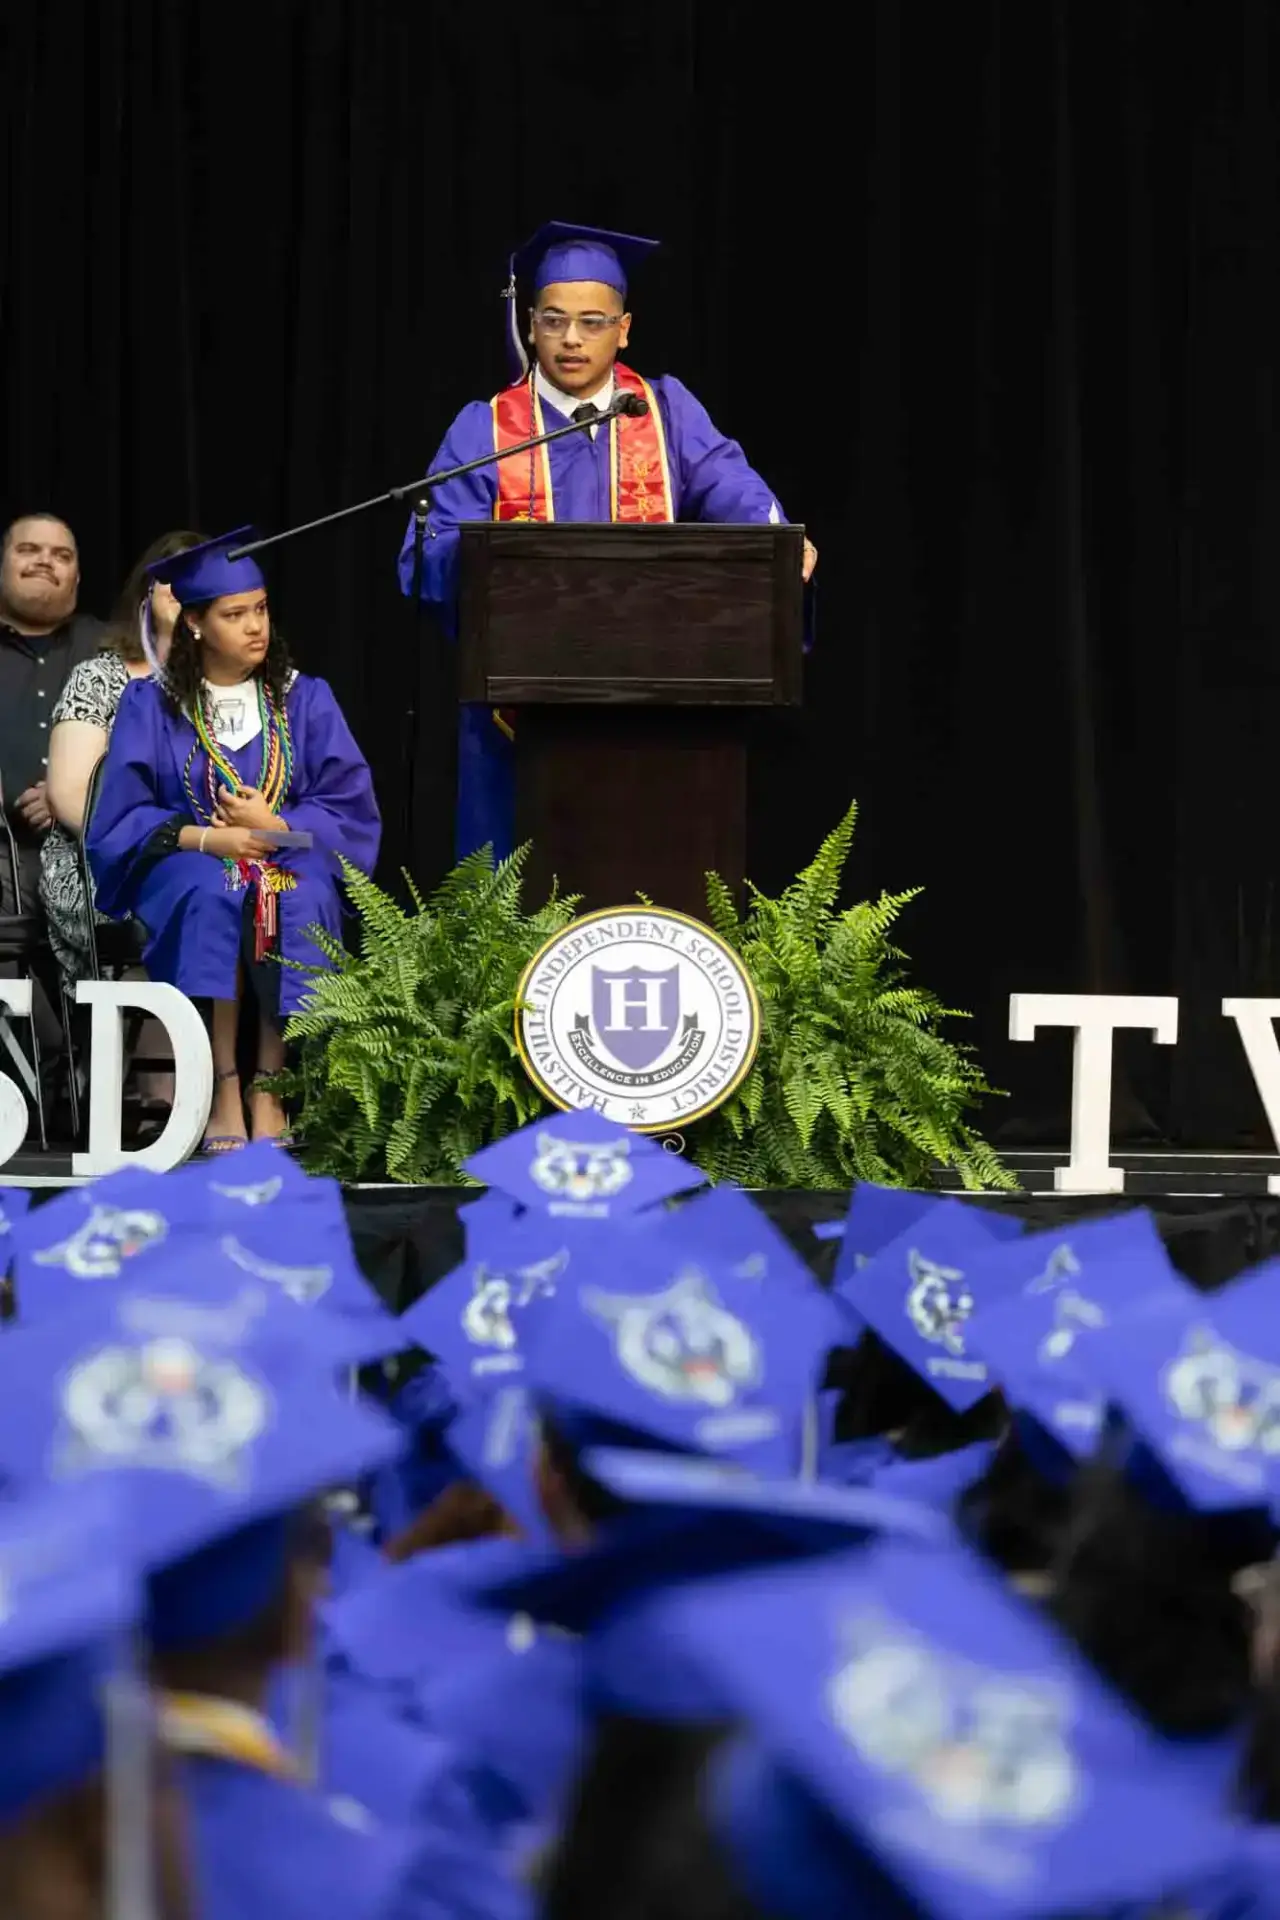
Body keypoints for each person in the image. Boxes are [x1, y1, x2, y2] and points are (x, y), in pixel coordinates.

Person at [397, 223, 818, 862]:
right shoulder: (485, 425)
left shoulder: (665, 412)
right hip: (515, 719)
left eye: (592, 322)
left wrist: (777, 542)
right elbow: (433, 550)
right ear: (529, 325)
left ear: (623, 328)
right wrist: (494, 560)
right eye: (554, 320)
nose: (570, 339)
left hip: (653, 708)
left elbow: (732, 486)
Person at [86, 529, 381, 1155]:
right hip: (187, 860)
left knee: (296, 895)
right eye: (234, 614)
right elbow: (123, 812)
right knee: (215, 894)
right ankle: (223, 1084)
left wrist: (271, 826)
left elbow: (349, 803)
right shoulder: (152, 704)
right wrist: (208, 839)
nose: (255, 627)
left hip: (285, 855)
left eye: (262, 609)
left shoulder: (304, 698)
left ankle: (269, 1087)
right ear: (194, 623)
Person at [40, 529, 206, 987]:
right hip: (101, 860)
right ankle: (154, 1056)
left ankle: (241, 1058)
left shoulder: (228, 689)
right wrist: (161, 846)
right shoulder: (99, 677)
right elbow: (70, 795)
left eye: (200, 579)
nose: (186, 588)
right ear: (147, 592)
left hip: (208, 855)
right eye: (174, 576)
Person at [0, 512, 104, 915]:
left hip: (89, 852)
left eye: (61, 555)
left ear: (77, 578)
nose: (45, 560)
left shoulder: (112, 649)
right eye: (28, 550)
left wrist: (69, 794)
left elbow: (147, 749)